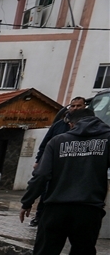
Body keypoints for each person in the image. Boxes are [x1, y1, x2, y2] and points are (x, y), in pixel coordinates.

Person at [15, 106, 109, 255]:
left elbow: (41, 175)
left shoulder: (58, 141)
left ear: (70, 123)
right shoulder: (107, 139)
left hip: (56, 209)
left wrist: (27, 201)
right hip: (89, 209)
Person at [30, 96, 86, 226]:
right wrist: (39, 161)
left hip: (76, 167)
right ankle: (40, 216)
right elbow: (45, 144)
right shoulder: (59, 126)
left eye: (79, 106)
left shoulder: (91, 127)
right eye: (73, 106)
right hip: (55, 165)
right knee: (46, 190)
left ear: (84, 107)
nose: (75, 108)